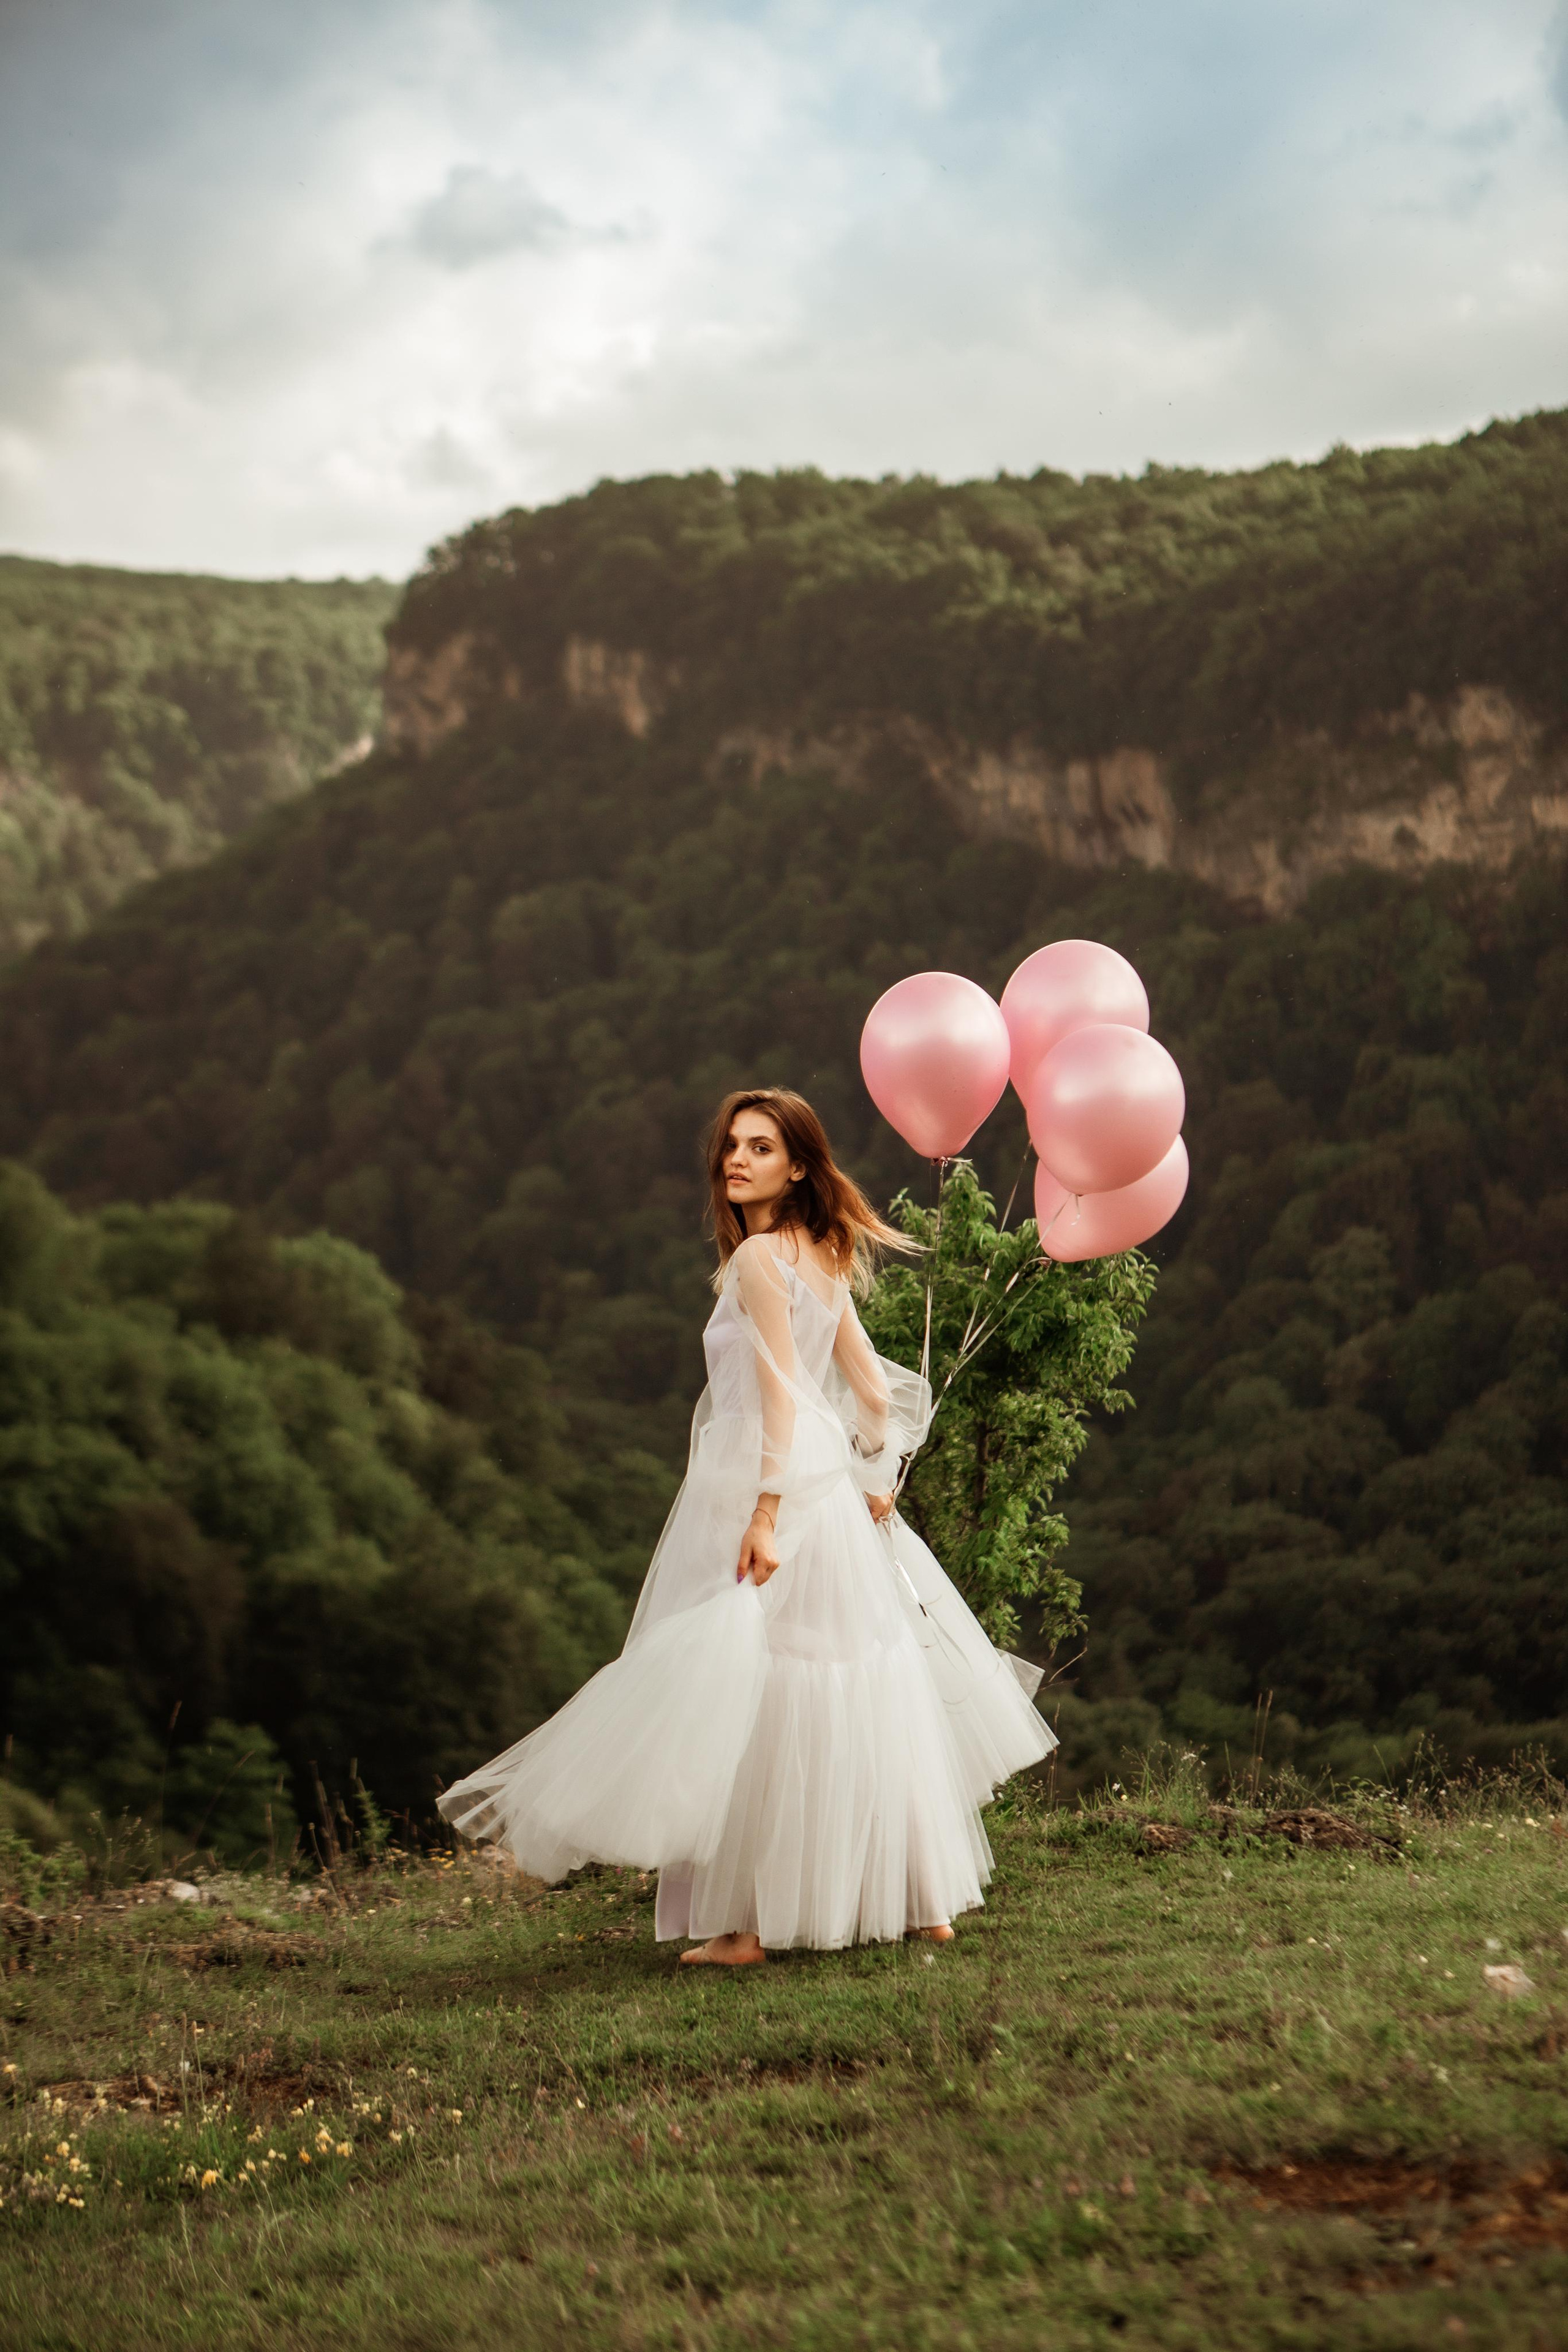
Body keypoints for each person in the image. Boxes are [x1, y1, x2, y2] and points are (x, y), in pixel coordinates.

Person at [439, 1088, 1055, 1962]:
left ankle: (741, 1927)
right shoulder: (824, 1254)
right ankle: (923, 1902)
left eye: (761, 1147)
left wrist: (768, 1512)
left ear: (798, 1167)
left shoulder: (762, 1259)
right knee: (857, 1680)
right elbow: (874, 1394)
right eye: (732, 1144)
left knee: (754, 1690)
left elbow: (778, 1396)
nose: (737, 1159)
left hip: (768, 1487)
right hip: (824, 1490)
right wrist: (872, 1477)